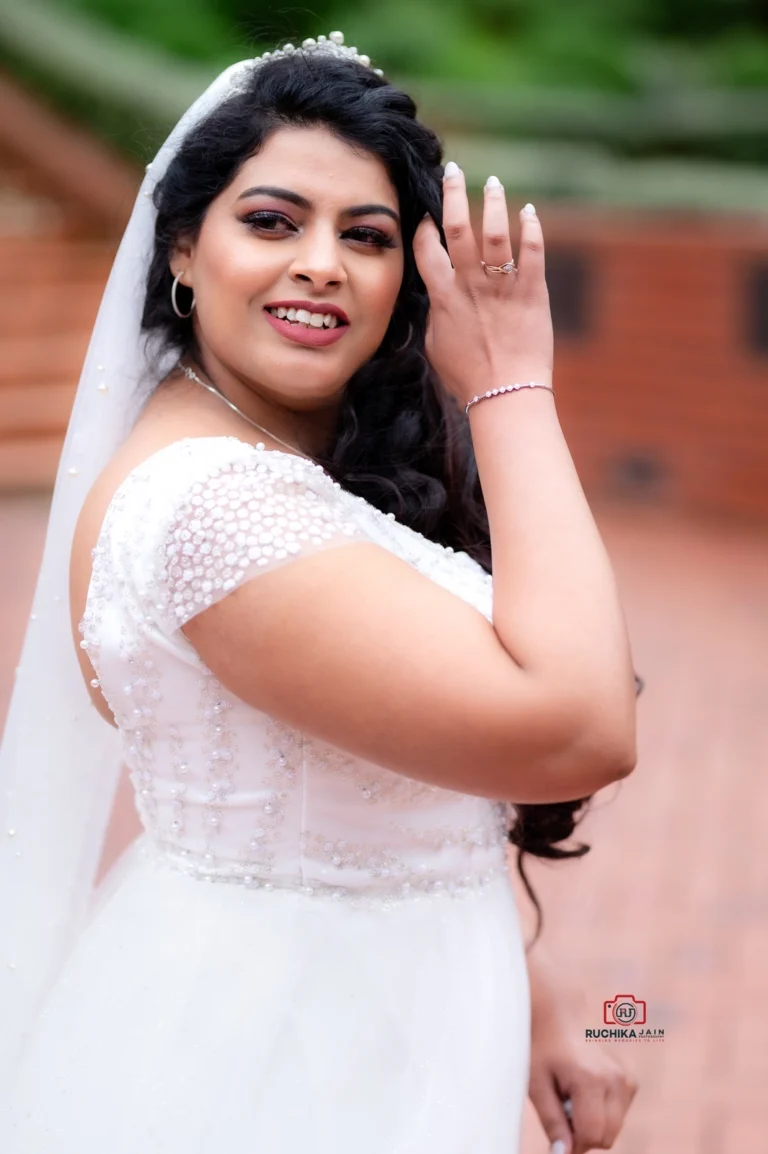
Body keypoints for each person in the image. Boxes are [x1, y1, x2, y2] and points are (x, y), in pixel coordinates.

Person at [0, 33, 639, 1154]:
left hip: (380, 1004)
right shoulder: (216, 510)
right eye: (272, 221)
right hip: (288, 1052)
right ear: (183, 249)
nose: (321, 264)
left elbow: (346, 786)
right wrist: (512, 381)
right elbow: (581, 726)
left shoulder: (268, 464)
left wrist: (537, 992)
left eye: (368, 236)